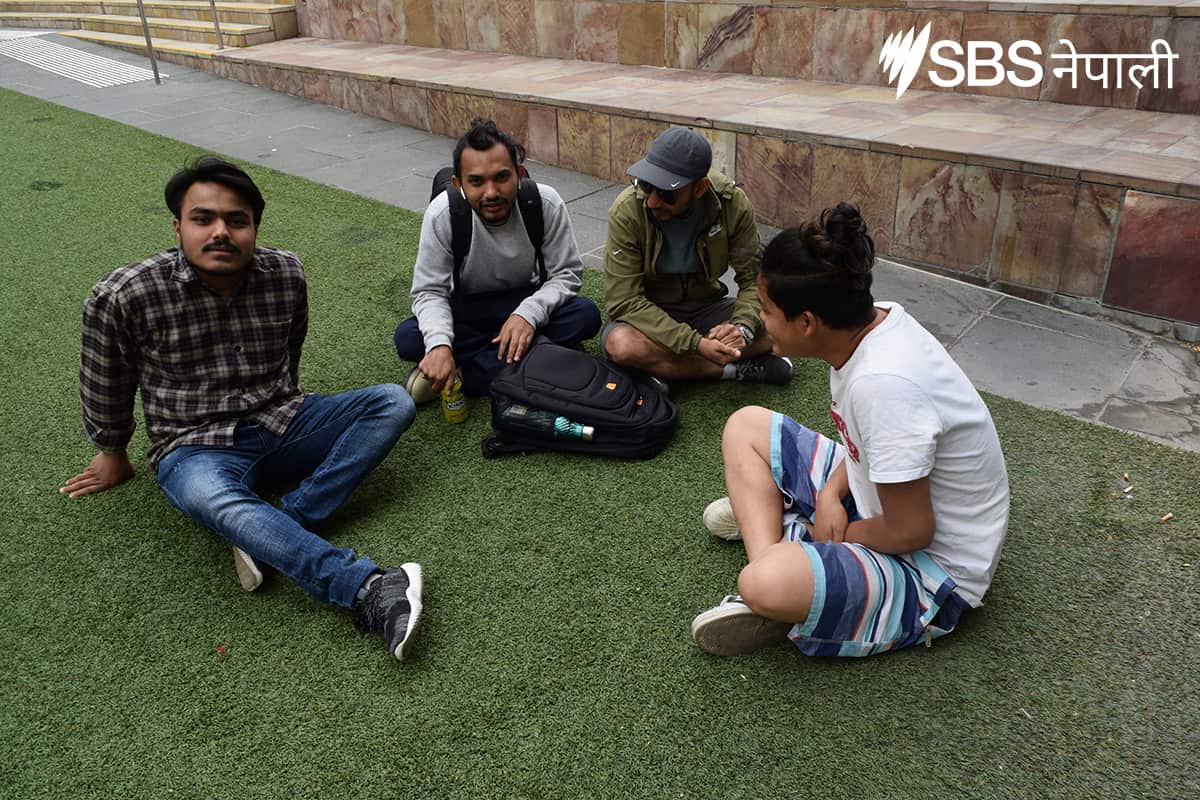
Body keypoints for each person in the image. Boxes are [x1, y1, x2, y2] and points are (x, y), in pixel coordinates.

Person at [61, 157, 424, 662]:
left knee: (393, 401)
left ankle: (277, 526)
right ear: (177, 227)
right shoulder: (124, 294)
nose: (220, 233)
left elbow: (290, 349)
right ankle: (368, 586)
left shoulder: (286, 272)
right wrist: (112, 451)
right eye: (203, 219)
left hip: (283, 419)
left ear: (254, 226)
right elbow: (106, 380)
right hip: (193, 447)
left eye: (236, 220)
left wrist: (294, 406)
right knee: (216, 501)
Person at [690, 202, 1009, 658]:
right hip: (882, 497)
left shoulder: (884, 385)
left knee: (762, 583)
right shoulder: (872, 324)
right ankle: (782, 559)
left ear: (807, 322)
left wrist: (832, 535)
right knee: (745, 426)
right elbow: (860, 444)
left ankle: (778, 576)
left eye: (766, 309)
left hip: (930, 571)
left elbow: (911, 530)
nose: (760, 321)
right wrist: (827, 496)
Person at [394, 119, 601, 401]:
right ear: (459, 183)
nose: (491, 193)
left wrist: (526, 315)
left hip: (524, 300)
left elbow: (566, 275)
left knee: (585, 315)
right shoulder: (442, 213)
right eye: (476, 182)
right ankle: (541, 356)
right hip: (468, 310)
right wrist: (440, 345)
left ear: (519, 173)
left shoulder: (545, 203)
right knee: (408, 337)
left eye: (502, 177)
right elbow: (429, 292)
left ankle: (468, 375)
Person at [602, 127, 793, 387]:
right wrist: (695, 343)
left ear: (700, 188)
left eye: (667, 193)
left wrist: (742, 329)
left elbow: (754, 279)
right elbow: (624, 301)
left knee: (784, 323)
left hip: (707, 308)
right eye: (647, 185)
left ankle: (666, 371)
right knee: (621, 345)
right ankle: (730, 370)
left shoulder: (732, 204)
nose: (653, 202)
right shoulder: (627, 211)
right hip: (649, 313)